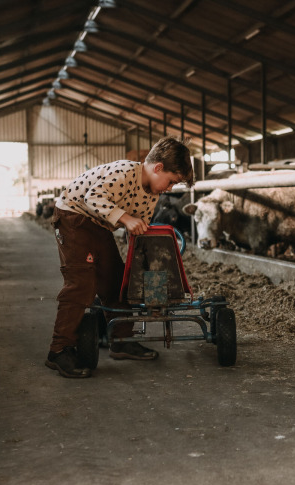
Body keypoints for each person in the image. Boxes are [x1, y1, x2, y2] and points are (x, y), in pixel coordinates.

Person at [45, 136, 194, 378]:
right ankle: (59, 349)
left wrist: (145, 268)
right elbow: (91, 198)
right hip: (74, 217)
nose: (169, 189)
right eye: (171, 182)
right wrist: (125, 220)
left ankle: (122, 340)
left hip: (100, 226)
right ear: (158, 168)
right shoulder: (125, 171)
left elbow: (139, 231)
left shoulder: (151, 194)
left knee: (117, 280)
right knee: (82, 283)